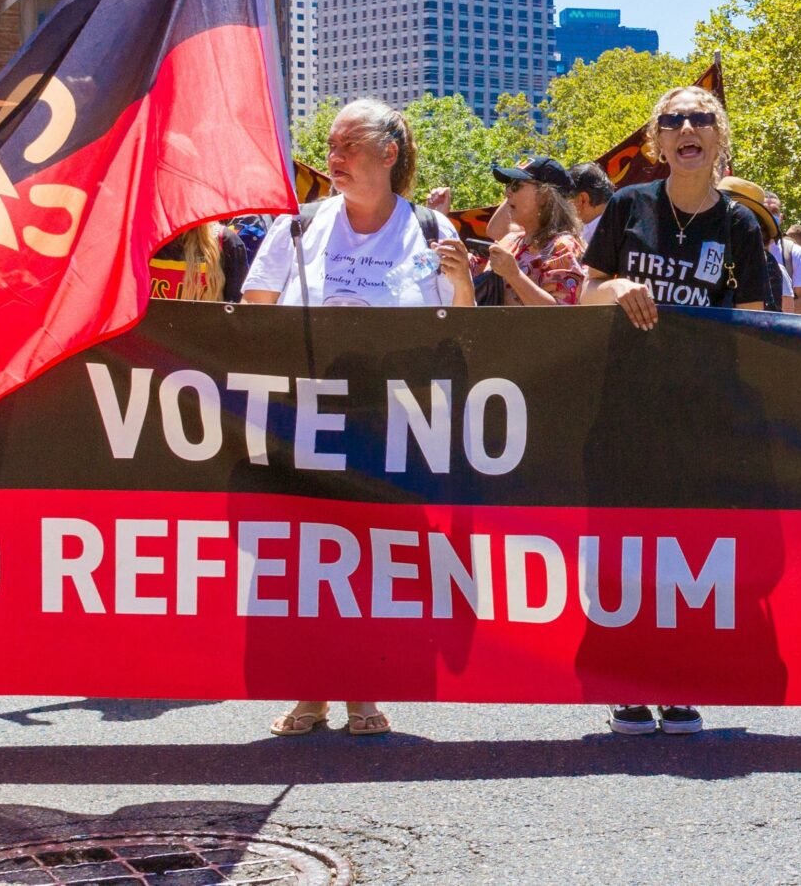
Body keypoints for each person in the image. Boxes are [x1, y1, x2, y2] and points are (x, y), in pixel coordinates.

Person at [243, 98, 472, 738]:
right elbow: (256, 303)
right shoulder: (299, 224)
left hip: (391, 424)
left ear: (387, 153)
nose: (333, 159)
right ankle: (310, 690)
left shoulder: (430, 232)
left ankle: (364, 687)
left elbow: (460, 331)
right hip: (303, 417)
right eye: (332, 148)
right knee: (302, 559)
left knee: (372, 557)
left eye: (346, 146)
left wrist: (463, 287)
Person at [579, 83, 771, 737]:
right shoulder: (628, 206)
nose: (687, 126)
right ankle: (627, 681)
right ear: (658, 140)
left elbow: (757, 323)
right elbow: (585, 293)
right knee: (625, 548)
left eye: (701, 118)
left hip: (700, 415)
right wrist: (618, 286)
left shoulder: (740, 225)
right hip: (622, 405)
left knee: (688, 552)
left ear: (719, 138)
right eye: (673, 119)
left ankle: (680, 680)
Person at [481, 156, 586, 307]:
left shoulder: (563, 247)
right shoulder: (510, 240)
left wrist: (514, 276)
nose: (507, 193)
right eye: (508, 185)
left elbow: (563, 317)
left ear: (545, 196)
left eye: (516, 185)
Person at [568, 161, 615, 249]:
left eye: (567, 200)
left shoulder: (612, 235)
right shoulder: (624, 222)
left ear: (583, 199)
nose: (566, 206)